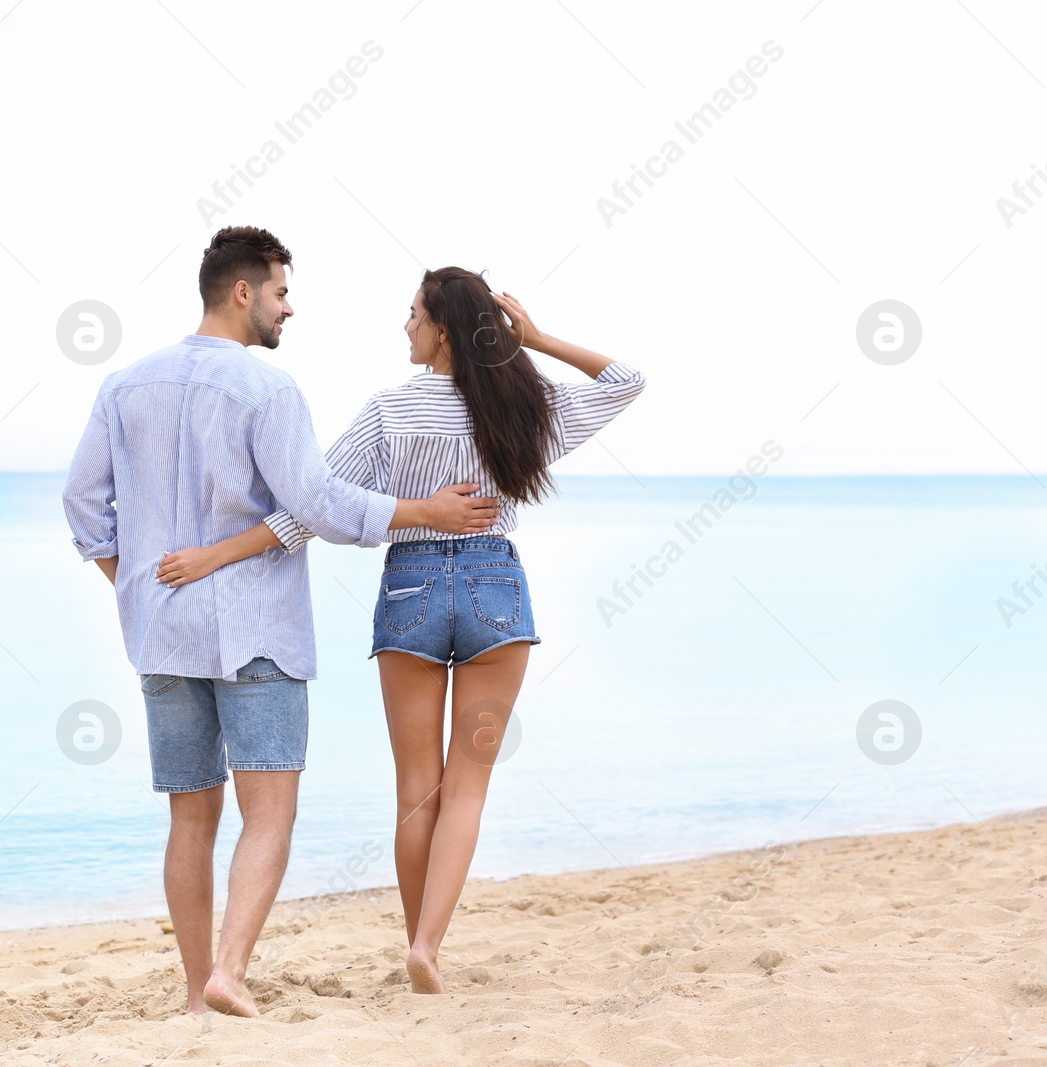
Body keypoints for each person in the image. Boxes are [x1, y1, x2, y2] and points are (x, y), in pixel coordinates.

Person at [155, 266, 646, 994]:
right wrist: (535, 340)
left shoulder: (390, 411)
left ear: (443, 328)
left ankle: (423, 949)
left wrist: (214, 555)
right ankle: (427, 946)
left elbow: (309, 509)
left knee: (417, 786)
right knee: (468, 785)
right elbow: (625, 381)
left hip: (411, 583)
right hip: (494, 589)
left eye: (413, 313)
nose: (405, 325)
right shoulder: (523, 405)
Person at [62, 230, 504, 1017]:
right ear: (243, 293)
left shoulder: (123, 386)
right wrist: (423, 511)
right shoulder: (268, 391)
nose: (288, 308)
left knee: (189, 814)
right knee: (268, 811)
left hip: (162, 631)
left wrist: (131, 585)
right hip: (257, 627)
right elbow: (321, 506)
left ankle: (200, 994)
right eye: (280, 292)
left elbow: (83, 506)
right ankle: (230, 969)